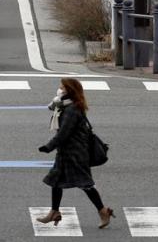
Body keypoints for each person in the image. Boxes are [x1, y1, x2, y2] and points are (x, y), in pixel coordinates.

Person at [37, 78, 114, 229]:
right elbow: (55, 112)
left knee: (86, 184)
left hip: (76, 154)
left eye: (63, 87)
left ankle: (103, 211)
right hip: (66, 152)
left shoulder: (72, 110)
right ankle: (54, 212)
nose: (59, 89)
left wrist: (48, 146)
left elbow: (64, 134)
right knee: (56, 180)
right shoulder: (65, 105)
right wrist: (57, 103)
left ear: (69, 90)